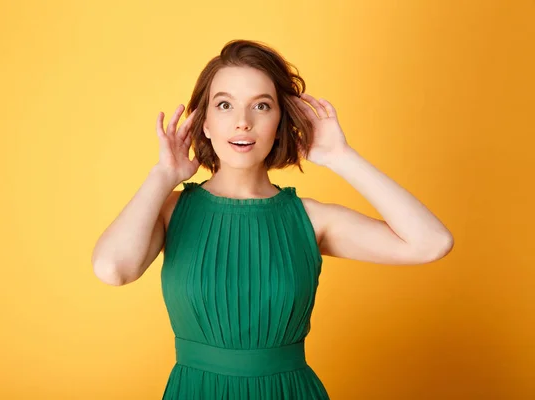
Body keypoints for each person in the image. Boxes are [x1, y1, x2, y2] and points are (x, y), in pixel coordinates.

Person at [91, 39, 454, 399]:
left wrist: (340, 157)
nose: (242, 122)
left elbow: (431, 243)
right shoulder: (170, 211)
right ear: (204, 123)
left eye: (261, 106)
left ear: (280, 121)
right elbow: (112, 269)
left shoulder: (310, 220)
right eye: (224, 105)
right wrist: (162, 175)